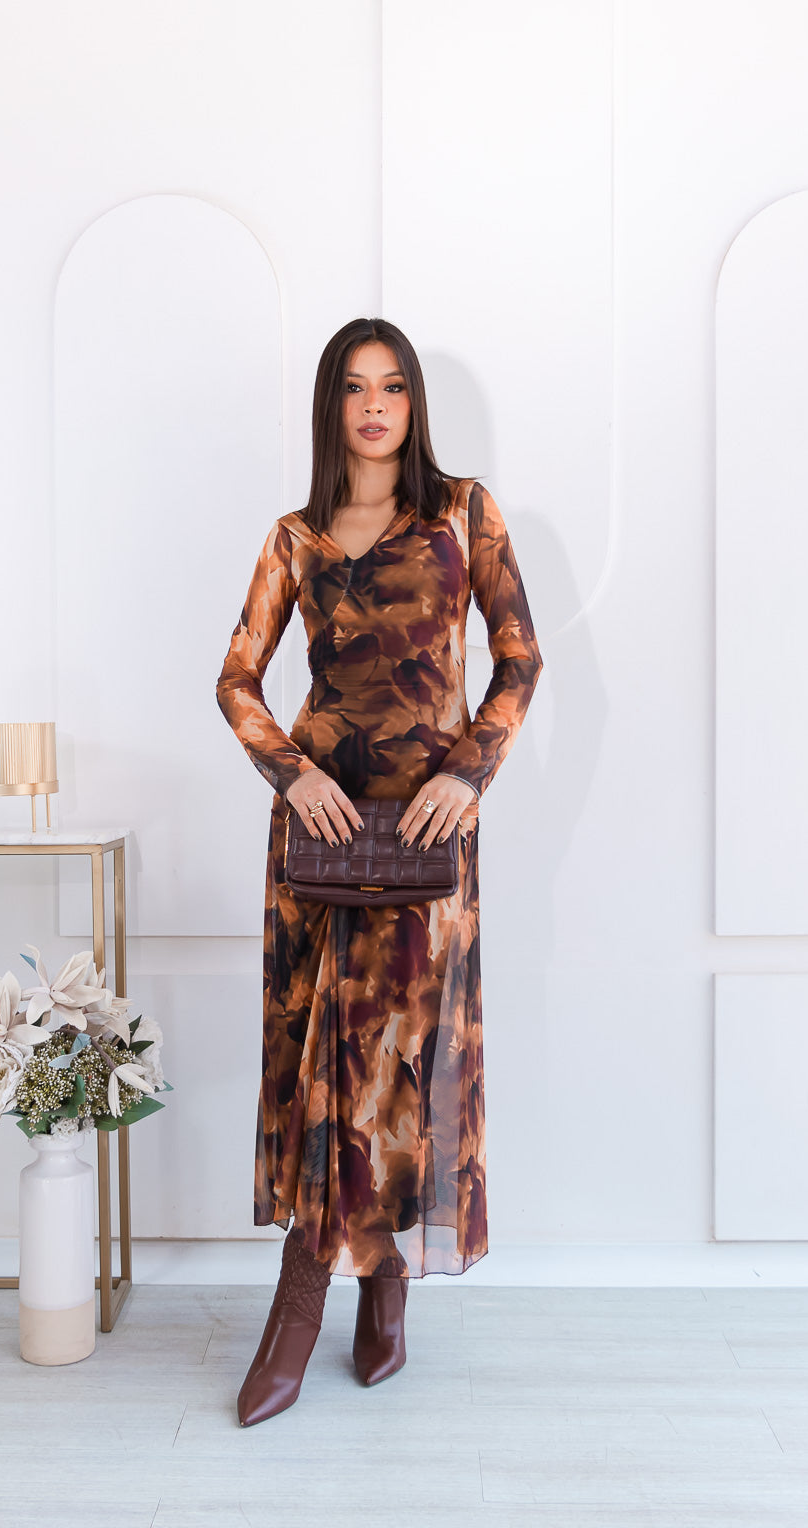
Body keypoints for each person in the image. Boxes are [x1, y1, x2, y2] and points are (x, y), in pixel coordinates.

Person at [215, 317, 543, 1426]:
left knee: (398, 1066)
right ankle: (318, 1301)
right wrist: (290, 771)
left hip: (426, 833)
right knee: (327, 1065)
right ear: (331, 405)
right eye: (354, 387)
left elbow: (518, 657)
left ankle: (368, 1285)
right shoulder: (295, 536)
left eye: (391, 387)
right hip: (320, 836)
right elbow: (237, 680)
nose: (372, 406)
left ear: (412, 404)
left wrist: (470, 771)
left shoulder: (463, 513)